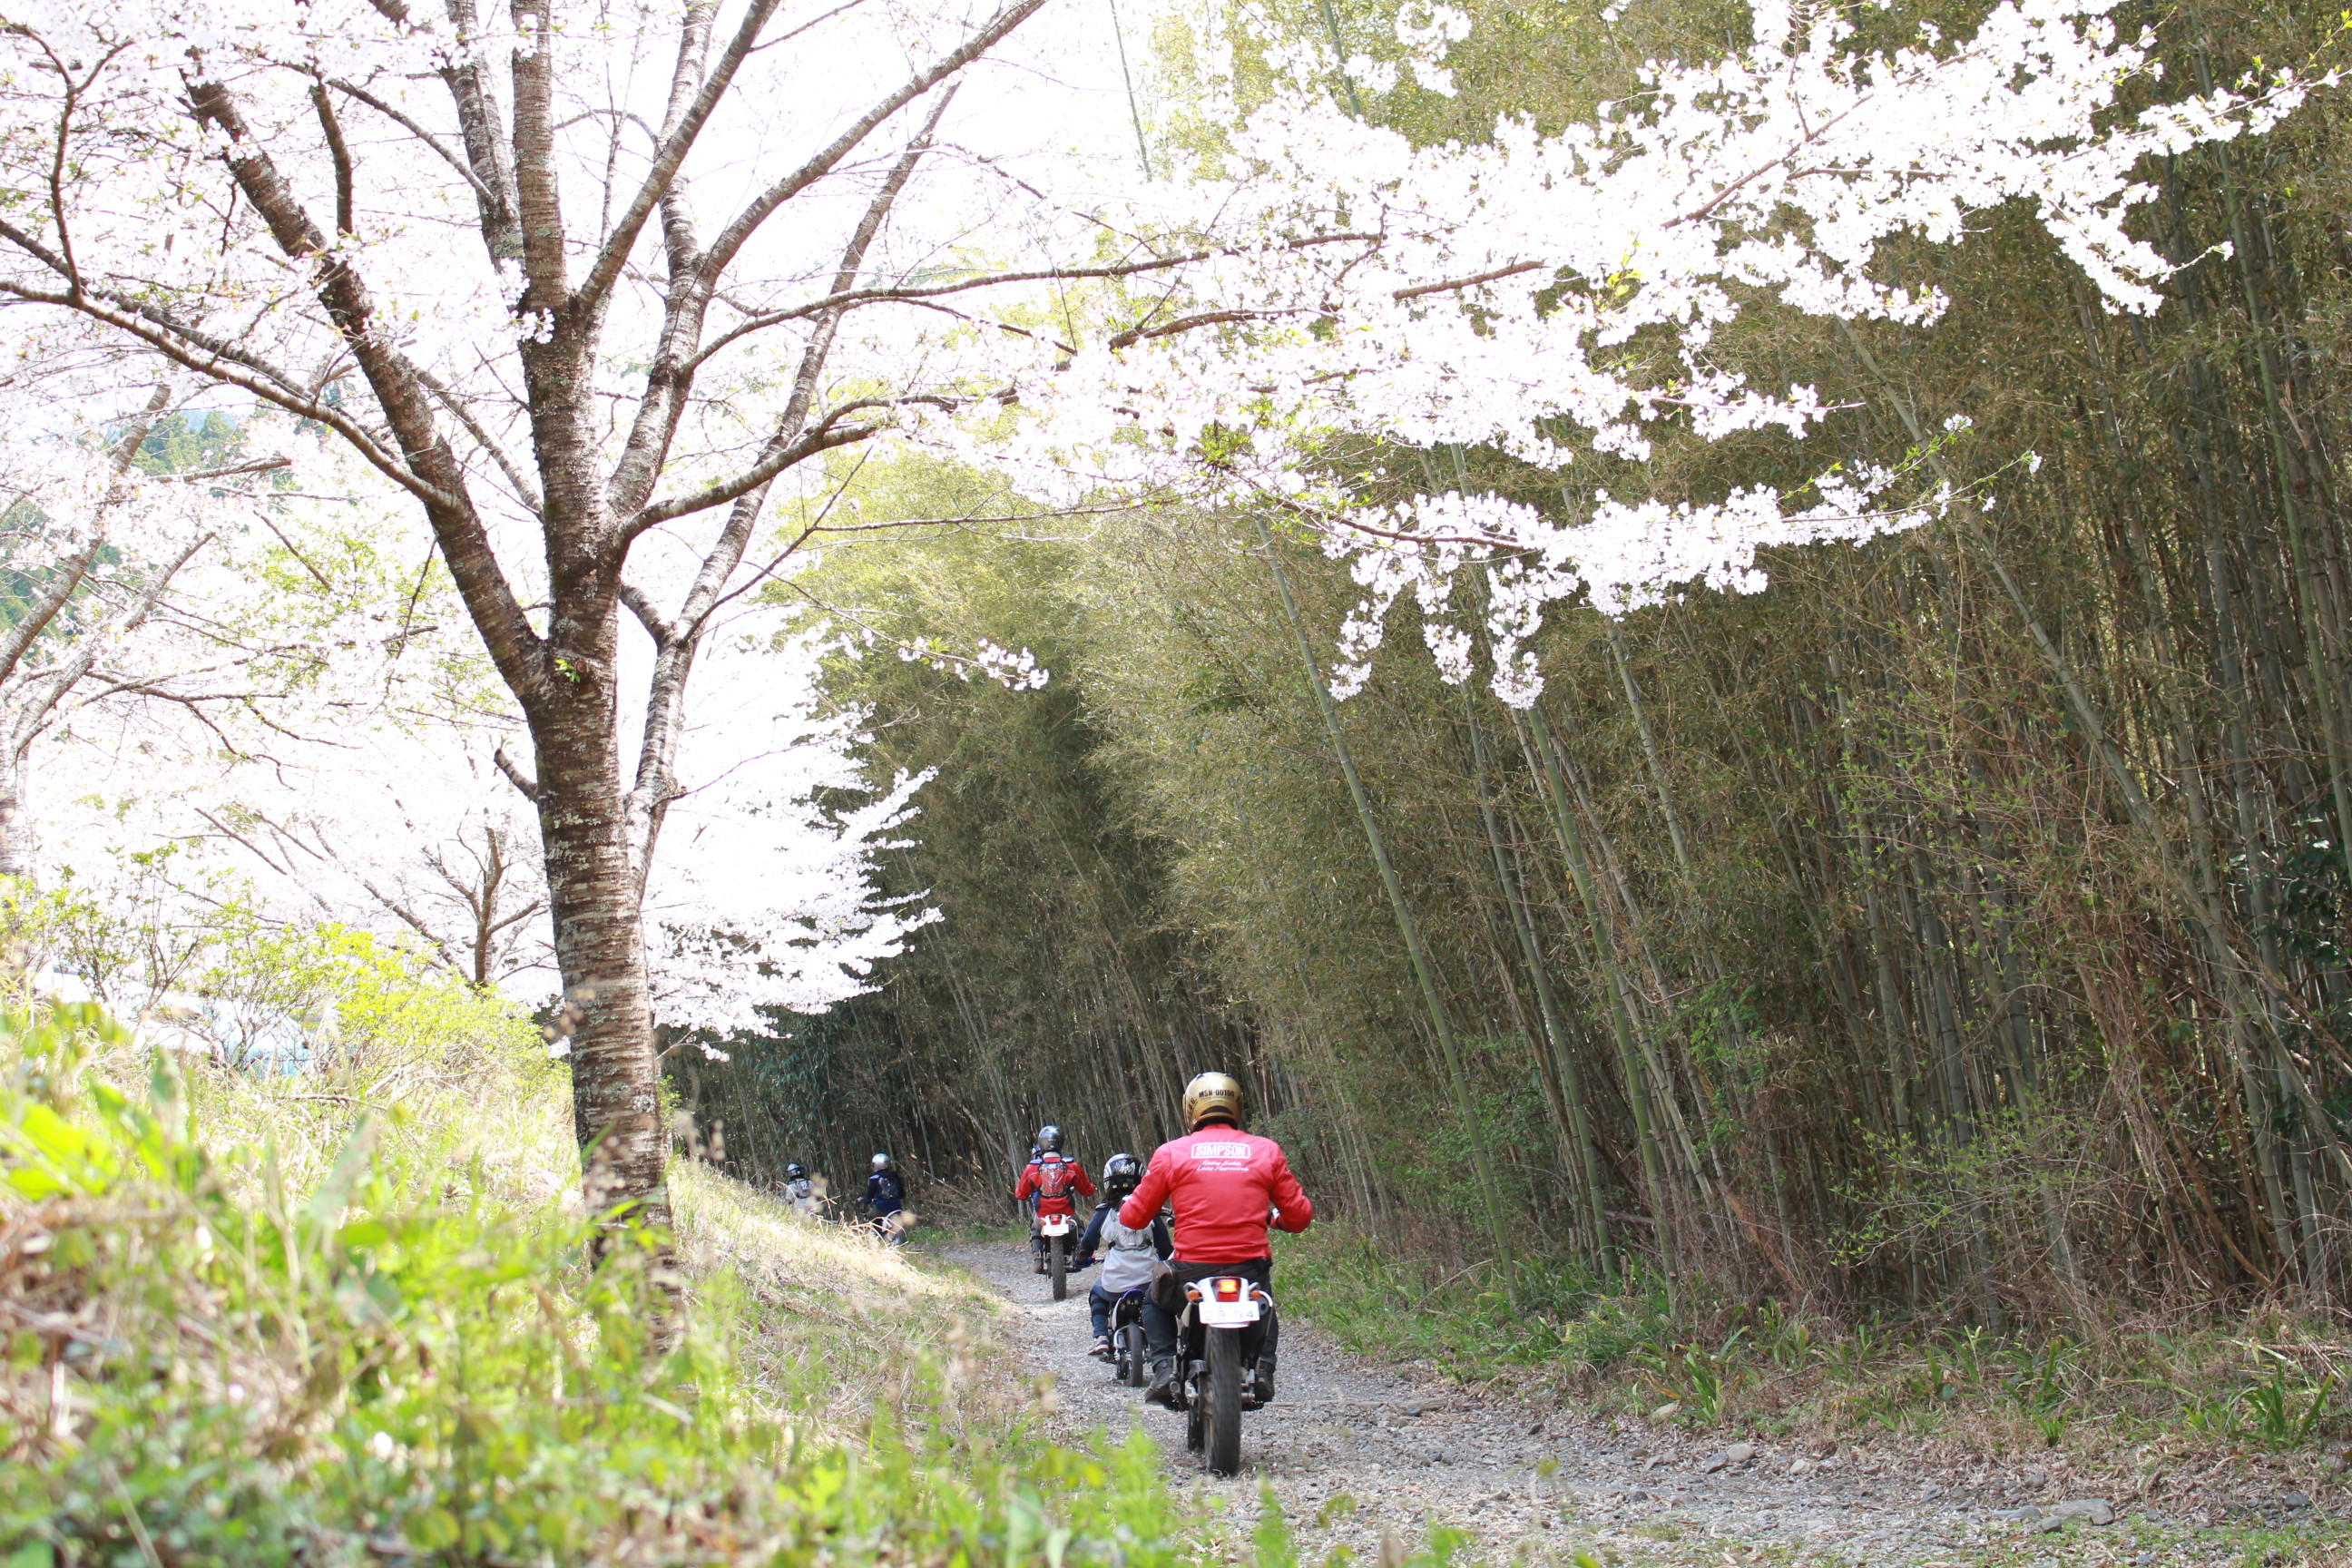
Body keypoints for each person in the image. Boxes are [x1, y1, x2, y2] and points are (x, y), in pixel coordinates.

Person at [1119, 1071, 1312, 1407]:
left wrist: (1133, 1209)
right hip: (1248, 1268)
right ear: (1235, 1104)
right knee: (1264, 1302)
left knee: (1153, 1300)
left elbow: (1133, 1217)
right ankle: (1264, 1370)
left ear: (1191, 1108)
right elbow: (1299, 1217)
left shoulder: (1171, 1153)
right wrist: (1275, 1221)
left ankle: (1164, 1370)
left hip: (1191, 1269)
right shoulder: (1265, 1151)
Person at [1076, 1152, 1169, 1357]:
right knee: (1163, 1301)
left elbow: (1088, 1243)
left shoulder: (1103, 1211)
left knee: (1097, 1292)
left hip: (1115, 1282)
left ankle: (1100, 1336)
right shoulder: (1150, 1211)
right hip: (1147, 1280)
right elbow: (1164, 1247)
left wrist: (1081, 1258)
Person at [1013, 1124, 1094, 1274]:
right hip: (1067, 1213)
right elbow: (1086, 1190)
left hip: (1042, 1214)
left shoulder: (1032, 1168)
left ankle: (1037, 1257)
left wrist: (1025, 1193)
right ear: (1061, 1142)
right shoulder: (1071, 1165)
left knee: (1035, 1226)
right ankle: (1081, 1254)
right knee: (1079, 1226)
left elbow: (1020, 1194)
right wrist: (1092, 1188)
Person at [865, 1152, 906, 1241]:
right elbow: (902, 1193)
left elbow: (869, 1195)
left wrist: (864, 1200)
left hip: (882, 1207)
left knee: (871, 1215)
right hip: (897, 1206)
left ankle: (877, 1235)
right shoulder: (895, 1176)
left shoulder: (874, 1178)